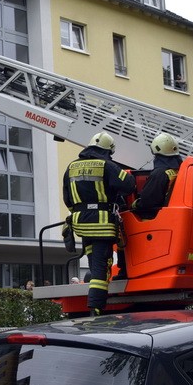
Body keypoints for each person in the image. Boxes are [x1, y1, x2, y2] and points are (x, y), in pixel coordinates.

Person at [62, 131, 135, 315]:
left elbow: (67, 199)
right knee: (100, 269)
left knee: (93, 261)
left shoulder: (71, 167)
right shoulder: (106, 165)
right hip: (102, 224)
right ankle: (96, 308)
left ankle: (95, 303)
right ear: (108, 150)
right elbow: (129, 184)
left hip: (81, 224)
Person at [131, 133, 184, 220]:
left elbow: (147, 201)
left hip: (153, 221)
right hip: (171, 218)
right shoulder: (179, 171)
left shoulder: (159, 174)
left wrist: (135, 204)